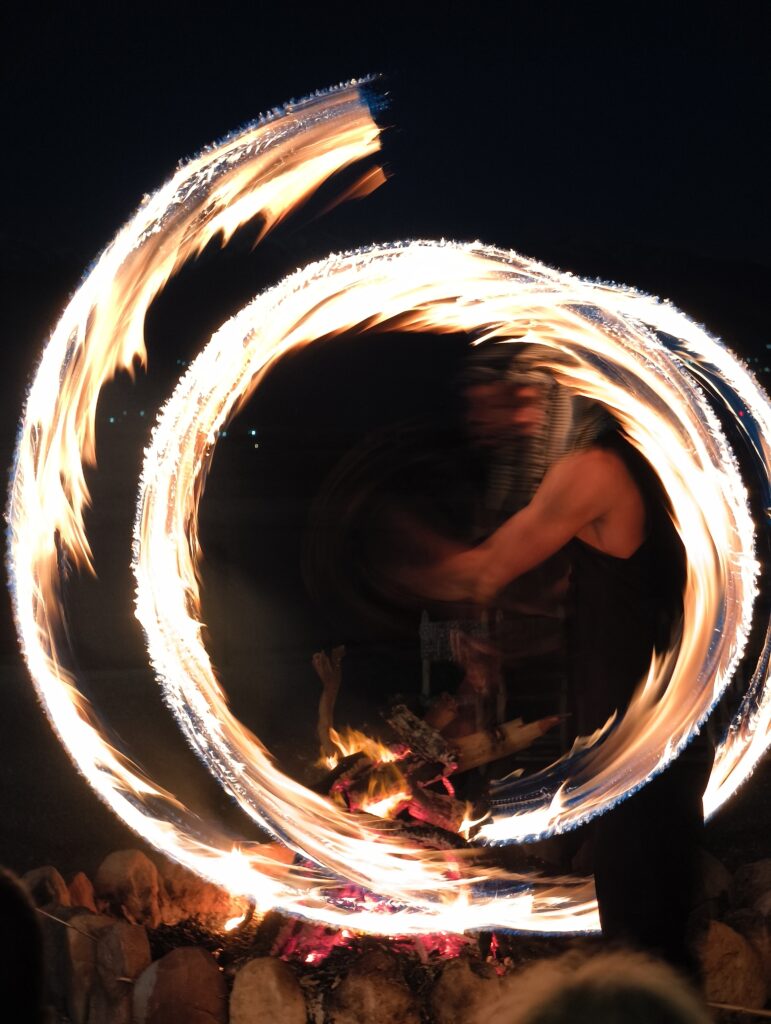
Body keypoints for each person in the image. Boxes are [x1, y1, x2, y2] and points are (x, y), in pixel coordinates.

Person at [397, 344, 707, 975]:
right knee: (652, 919)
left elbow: (484, 569)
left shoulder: (595, 468)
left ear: (578, 393)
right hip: (655, 728)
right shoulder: (639, 466)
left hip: (639, 737)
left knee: (643, 928)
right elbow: (603, 601)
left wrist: (389, 556)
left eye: (536, 397)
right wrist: (509, 646)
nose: (525, 415)